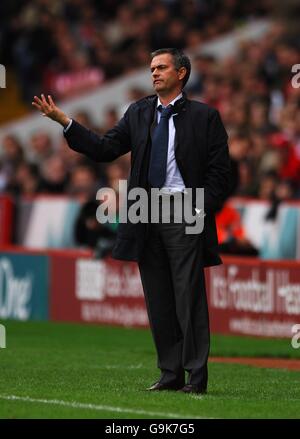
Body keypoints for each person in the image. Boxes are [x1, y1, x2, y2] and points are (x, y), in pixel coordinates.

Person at [32, 48, 231, 394]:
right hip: (145, 211)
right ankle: (170, 373)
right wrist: (65, 122)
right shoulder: (138, 112)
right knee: (158, 297)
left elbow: (220, 173)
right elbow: (106, 148)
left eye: (162, 67)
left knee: (189, 295)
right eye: (151, 68)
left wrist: (200, 207)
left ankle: (196, 376)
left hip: (186, 210)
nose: (154, 73)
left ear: (181, 73)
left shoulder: (205, 117)